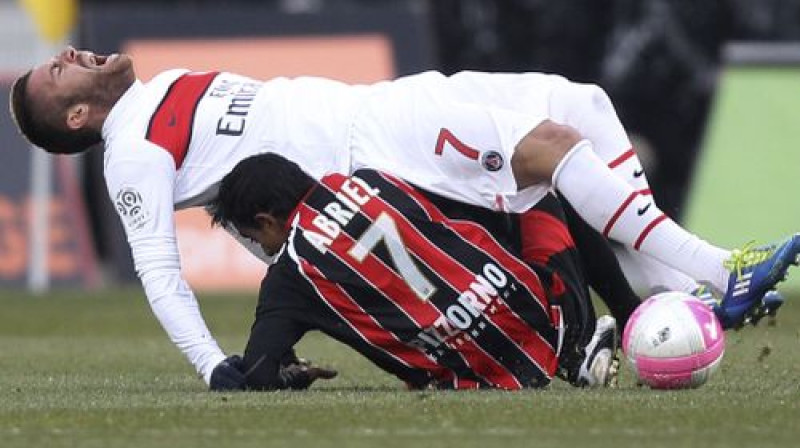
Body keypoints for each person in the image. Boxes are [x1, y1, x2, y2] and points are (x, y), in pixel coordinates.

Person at [8, 47, 798, 387]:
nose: (71, 56)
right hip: (377, 151)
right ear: (76, 117)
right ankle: (716, 269)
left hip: (383, 104)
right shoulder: (130, 152)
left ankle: (678, 297)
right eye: (57, 73)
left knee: (582, 104)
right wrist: (216, 367)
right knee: (555, 152)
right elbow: (157, 270)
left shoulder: (156, 92)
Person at [209, 152, 618, 390]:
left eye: (254, 238)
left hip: (475, 375)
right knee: (539, 188)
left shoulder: (290, 274)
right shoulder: (373, 178)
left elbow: (258, 371)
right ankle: (581, 343)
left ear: (265, 221)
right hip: (535, 311)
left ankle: (576, 350)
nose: (261, 248)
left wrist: (293, 376)